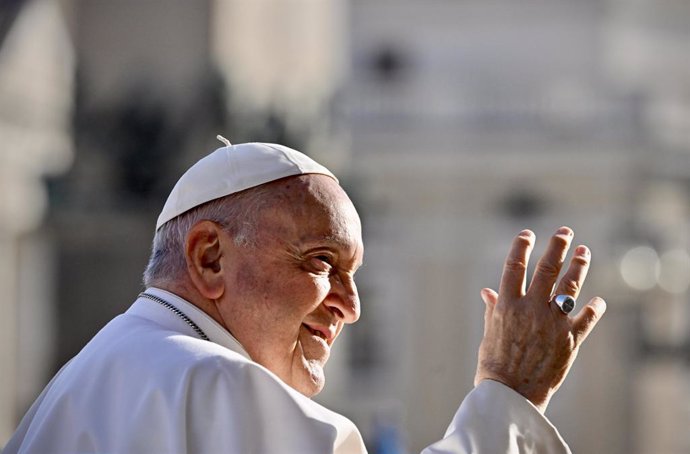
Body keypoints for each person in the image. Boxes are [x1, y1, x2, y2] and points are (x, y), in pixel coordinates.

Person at [4, 141, 606, 453]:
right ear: (210, 257)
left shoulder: (89, 376)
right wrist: (509, 396)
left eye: (356, 275)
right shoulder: (213, 384)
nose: (351, 305)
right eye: (322, 262)